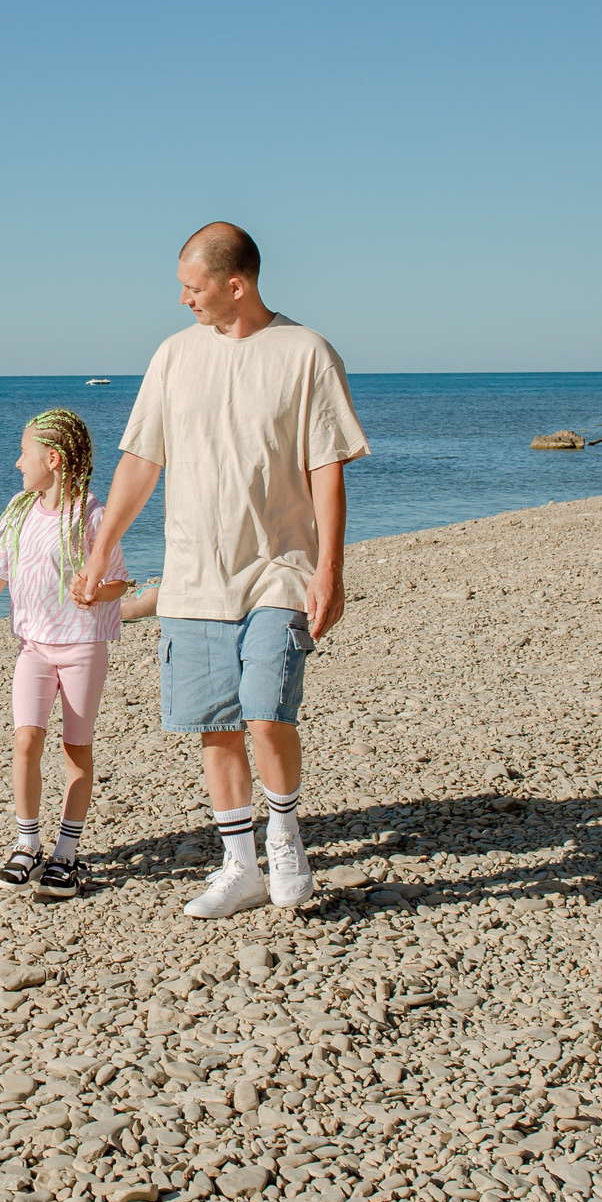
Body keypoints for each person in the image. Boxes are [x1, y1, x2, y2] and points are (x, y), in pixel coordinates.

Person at [69, 222, 369, 919]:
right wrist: (99, 549)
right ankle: (239, 864)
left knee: (266, 712)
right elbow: (142, 463)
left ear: (235, 285)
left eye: (193, 286)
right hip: (194, 576)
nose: (183, 298)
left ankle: (286, 834)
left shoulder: (305, 353)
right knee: (216, 724)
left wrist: (331, 569)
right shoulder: (173, 357)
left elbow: (328, 467)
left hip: (277, 570)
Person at [0, 411, 131, 899]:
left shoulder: (92, 515)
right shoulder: (19, 511)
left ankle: (66, 852)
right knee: (26, 739)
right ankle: (27, 843)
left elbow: (119, 582)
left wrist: (96, 593)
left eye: (25, 453)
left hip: (83, 648)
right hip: (34, 648)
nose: (17, 462)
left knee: (75, 749)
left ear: (53, 458)